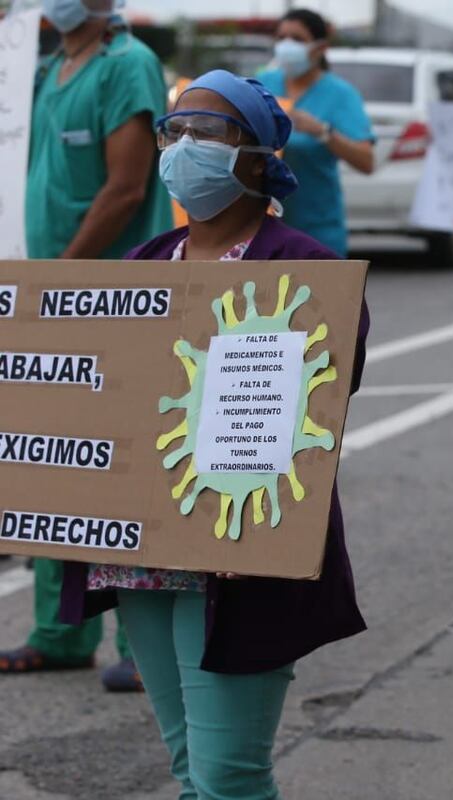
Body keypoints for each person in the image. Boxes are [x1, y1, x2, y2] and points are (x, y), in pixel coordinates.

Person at [58, 69, 369, 798]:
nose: (183, 145)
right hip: (144, 555)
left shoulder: (306, 270)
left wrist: (252, 524)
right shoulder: (142, 264)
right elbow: (103, 399)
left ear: (257, 158)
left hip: (241, 548)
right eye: (175, 131)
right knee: (191, 770)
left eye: (209, 131)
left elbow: (317, 407)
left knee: (229, 776)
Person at [0, 0, 174, 692]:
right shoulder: (49, 68)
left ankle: (144, 639)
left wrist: (62, 279)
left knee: (121, 470)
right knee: (57, 465)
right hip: (49, 299)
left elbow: (126, 188)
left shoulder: (127, 66)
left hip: (106, 296)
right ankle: (61, 632)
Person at [258, 8, 374, 257]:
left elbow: (366, 161)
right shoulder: (263, 84)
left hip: (317, 232)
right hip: (262, 231)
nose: (287, 45)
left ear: (320, 48)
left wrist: (322, 132)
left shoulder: (340, 94)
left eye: (297, 39)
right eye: (281, 38)